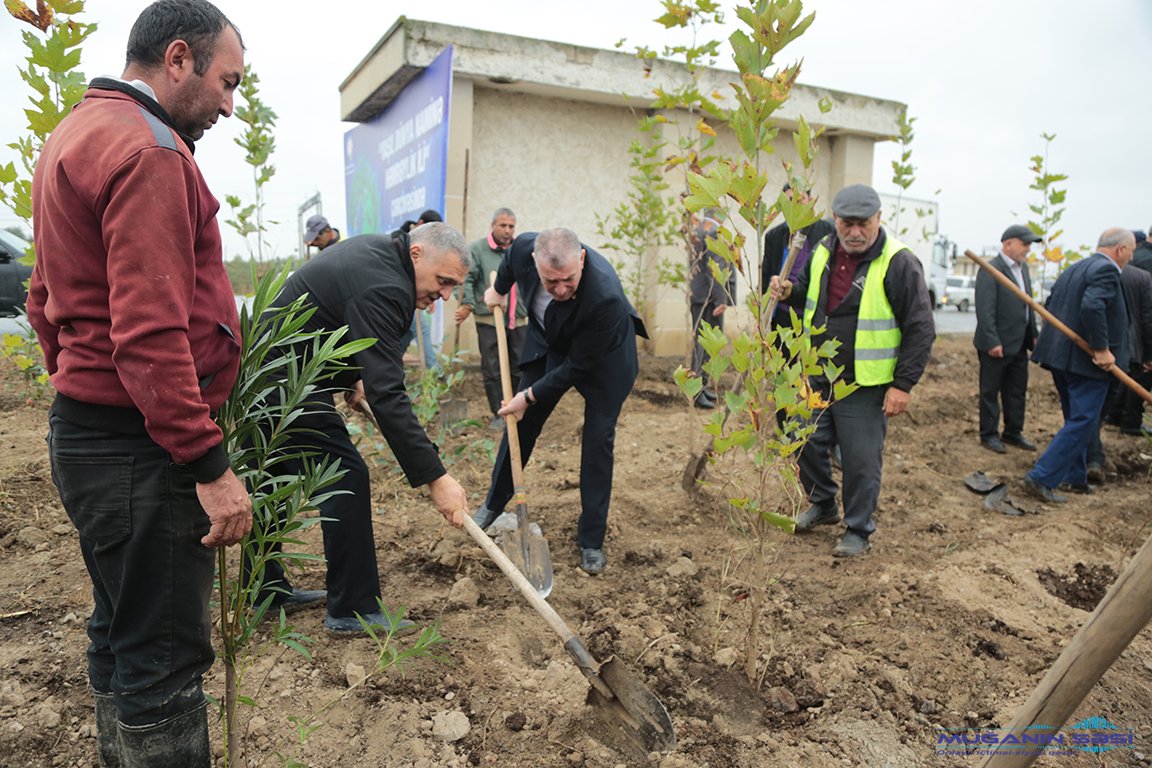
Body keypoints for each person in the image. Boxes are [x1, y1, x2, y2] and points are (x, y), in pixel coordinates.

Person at [25, 2, 251, 764]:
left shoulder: (75, 133)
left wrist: (77, 380)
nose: (229, 104)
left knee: (119, 628)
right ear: (178, 58)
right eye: (226, 82)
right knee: (162, 656)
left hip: (93, 436)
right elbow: (151, 335)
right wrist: (209, 466)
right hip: (138, 450)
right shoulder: (149, 150)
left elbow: (40, 296)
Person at [255, 223, 470, 635]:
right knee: (345, 475)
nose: (444, 296)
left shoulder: (379, 256)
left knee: (276, 475)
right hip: (286, 382)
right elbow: (389, 395)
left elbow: (335, 323)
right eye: (444, 282)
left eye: (453, 287)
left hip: (272, 374)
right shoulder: (385, 284)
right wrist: (437, 478)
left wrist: (353, 376)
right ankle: (352, 609)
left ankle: (264, 589)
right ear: (417, 254)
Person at [769, 184, 935, 557]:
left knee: (860, 460)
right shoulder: (825, 248)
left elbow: (921, 328)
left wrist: (903, 385)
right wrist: (790, 291)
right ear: (836, 220)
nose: (855, 232)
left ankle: (858, 529)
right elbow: (814, 293)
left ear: (879, 220)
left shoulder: (899, 262)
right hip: (818, 373)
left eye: (863, 224)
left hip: (865, 384)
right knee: (800, 436)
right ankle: (824, 503)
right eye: (847, 223)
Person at [471, 228, 647, 574]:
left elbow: (578, 366)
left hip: (603, 361)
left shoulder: (604, 296)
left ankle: (592, 540)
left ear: (581, 259)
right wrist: (498, 290)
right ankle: (493, 504)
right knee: (519, 425)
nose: (561, 289)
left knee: (598, 442)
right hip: (551, 341)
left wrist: (529, 395)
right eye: (551, 282)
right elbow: (508, 264)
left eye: (568, 279)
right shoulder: (523, 248)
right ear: (534, 262)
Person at [1022, 228, 1133, 503]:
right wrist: (1102, 348)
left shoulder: (1076, 268)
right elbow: (1092, 306)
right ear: (1120, 249)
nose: (1130, 257)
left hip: (1063, 358)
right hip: (1087, 363)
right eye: (1130, 251)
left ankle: (1074, 477)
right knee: (1083, 421)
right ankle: (1042, 477)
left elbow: (1051, 303)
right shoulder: (1106, 271)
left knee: (1078, 420)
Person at [973, 225, 1042, 453]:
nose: (1028, 250)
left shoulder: (1023, 270)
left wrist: (1032, 334)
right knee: (990, 391)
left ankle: (1013, 432)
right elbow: (985, 309)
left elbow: (1028, 306)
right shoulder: (991, 269)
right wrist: (992, 340)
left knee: (1016, 390)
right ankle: (989, 434)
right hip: (996, 344)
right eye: (1025, 244)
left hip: (1019, 343)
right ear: (1008, 244)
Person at [457, 207, 527, 428]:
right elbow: (468, 278)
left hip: (518, 318)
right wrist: (468, 302)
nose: (507, 230)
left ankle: (517, 407)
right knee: (492, 366)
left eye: (511, 226)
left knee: (520, 365)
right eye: (502, 225)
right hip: (488, 319)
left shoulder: (520, 249)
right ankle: (498, 413)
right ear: (493, 226)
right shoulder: (478, 249)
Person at [762, 183, 835, 326]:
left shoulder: (827, 232)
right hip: (782, 311)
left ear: (811, 200)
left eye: (800, 199)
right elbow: (766, 275)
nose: (795, 204)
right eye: (790, 200)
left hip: (813, 313)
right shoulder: (774, 236)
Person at [689, 208, 735, 409]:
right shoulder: (713, 231)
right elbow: (717, 267)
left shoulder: (698, 229)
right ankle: (697, 390)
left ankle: (701, 386)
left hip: (699, 295)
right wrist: (721, 299)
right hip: (708, 298)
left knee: (703, 342)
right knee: (704, 344)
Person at [398, 210, 444, 369]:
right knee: (421, 330)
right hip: (404, 296)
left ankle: (393, 361)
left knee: (408, 333)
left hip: (416, 296)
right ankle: (435, 373)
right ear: (421, 224)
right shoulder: (402, 239)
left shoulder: (426, 242)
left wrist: (429, 296)